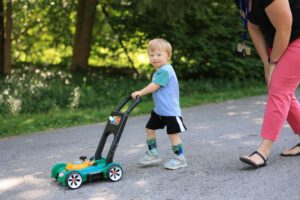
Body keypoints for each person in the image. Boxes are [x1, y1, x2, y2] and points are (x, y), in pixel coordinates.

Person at [236, 0, 300, 168]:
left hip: (296, 38)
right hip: (280, 41)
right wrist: (266, 62)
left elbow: (285, 28)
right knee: (279, 89)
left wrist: (273, 62)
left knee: (279, 90)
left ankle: (263, 151)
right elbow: (253, 27)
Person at [131, 38, 187, 170]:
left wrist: (141, 92)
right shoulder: (159, 71)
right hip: (159, 110)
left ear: (168, 55)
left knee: (173, 135)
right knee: (149, 129)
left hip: (170, 111)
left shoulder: (165, 70)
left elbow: (155, 86)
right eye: (151, 55)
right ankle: (153, 153)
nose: (155, 58)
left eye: (159, 54)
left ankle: (180, 159)